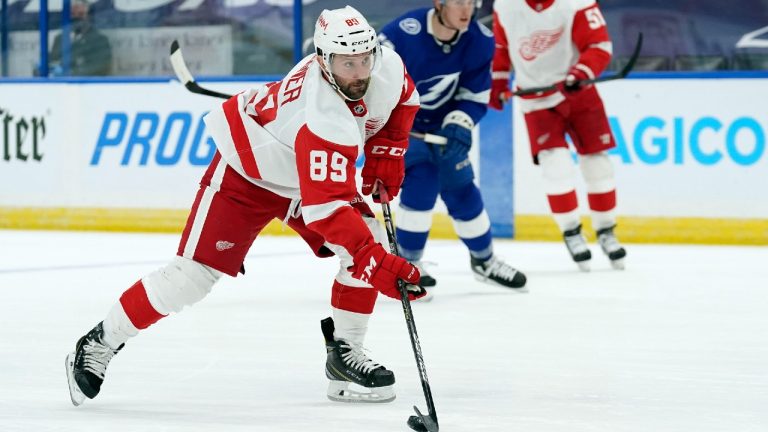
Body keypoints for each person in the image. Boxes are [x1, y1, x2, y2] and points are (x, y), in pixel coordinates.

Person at [65, 5, 427, 407]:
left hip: (302, 175)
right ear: (324, 61)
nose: (359, 73)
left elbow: (404, 99)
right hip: (248, 172)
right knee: (190, 278)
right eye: (347, 64)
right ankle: (100, 341)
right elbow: (326, 209)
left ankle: (345, 354)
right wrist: (371, 261)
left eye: (364, 60)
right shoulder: (322, 115)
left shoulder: (386, 66)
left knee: (370, 238)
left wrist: (387, 151)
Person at [378, 0, 527, 295]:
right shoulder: (402, 33)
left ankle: (484, 261)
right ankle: (408, 265)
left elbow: (474, 95)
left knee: (462, 189)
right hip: (402, 125)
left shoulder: (480, 40)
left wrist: (460, 122)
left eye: (471, 2)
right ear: (439, 3)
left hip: (442, 128)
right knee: (422, 181)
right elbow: (374, 81)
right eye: (459, 2)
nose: (466, 10)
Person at [490, 0, 627, 271]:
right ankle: (571, 231)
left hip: (579, 94)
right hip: (536, 100)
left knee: (597, 164)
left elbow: (599, 45)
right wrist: (497, 83)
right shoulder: (506, 5)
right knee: (556, 166)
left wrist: (581, 72)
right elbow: (501, 47)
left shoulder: (576, 3)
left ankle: (606, 230)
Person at [49, 0, 112, 76]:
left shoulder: (100, 40)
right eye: (72, 14)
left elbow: (101, 68)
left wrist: (71, 73)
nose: (76, 18)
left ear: (88, 17)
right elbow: (53, 62)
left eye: (81, 14)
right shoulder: (60, 39)